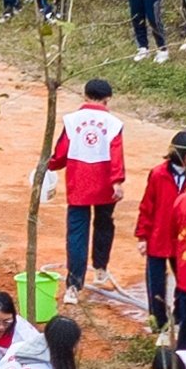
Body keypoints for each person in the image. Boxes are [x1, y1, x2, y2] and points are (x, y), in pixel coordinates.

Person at [46, 80, 129, 291]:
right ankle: (100, 268)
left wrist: (51, 164)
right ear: (107, 98)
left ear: (85, 96)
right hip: (105, 185)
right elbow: (116, 152)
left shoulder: (72, 120)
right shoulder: (113, 123)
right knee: (103, 224)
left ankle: (74, 285)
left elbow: (62, 151)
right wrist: (117, 181)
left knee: (77, 233)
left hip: (79, 183)